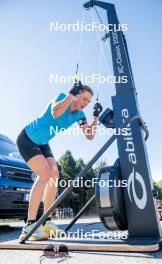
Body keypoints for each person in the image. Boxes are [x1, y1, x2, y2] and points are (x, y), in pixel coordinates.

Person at [16, 81, 103, 242]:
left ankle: (46, 222)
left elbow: (90, 135)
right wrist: (70, 94)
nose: (86, 104)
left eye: (89, 102)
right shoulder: (63, 97)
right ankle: (29, 224)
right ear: (77, 94)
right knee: (45, 173)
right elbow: (56, 113)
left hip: (42, 143)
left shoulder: (79, 115)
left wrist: (96, 117)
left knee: (54, 174)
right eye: (84, 99)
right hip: (27, 138)